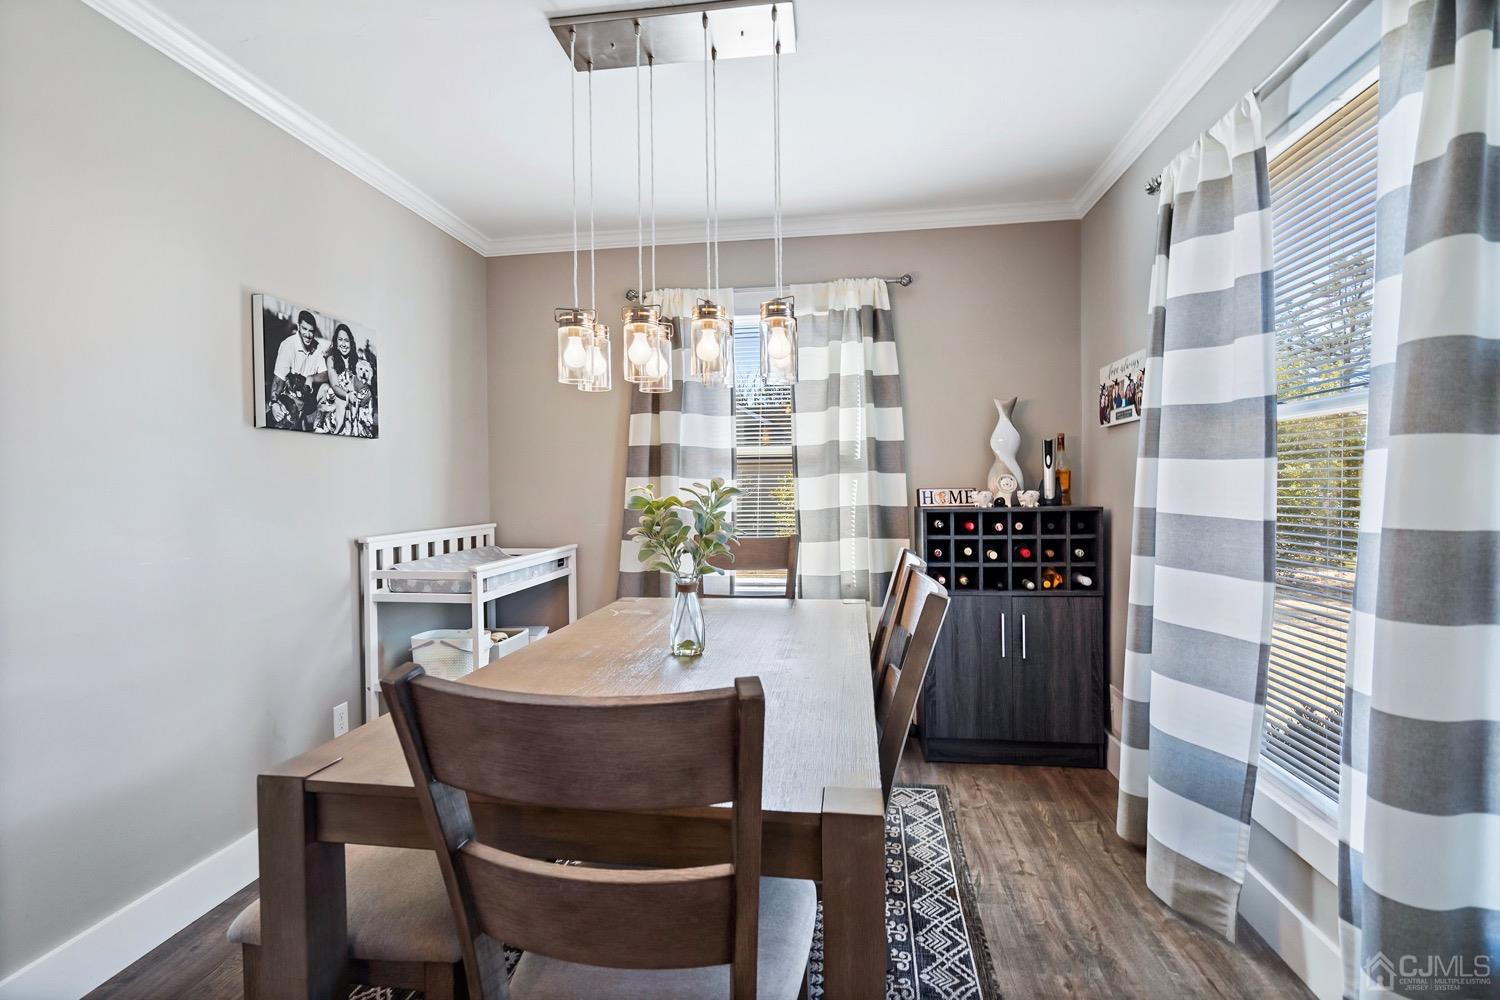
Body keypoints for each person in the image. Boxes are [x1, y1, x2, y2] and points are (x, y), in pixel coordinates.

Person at [270, 310, 328, 426]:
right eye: (304, 329)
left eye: (311, 331)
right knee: (284, 419)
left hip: (308, 398)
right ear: (298, 327)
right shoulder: (288, 345)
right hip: (289, 396)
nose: (308, 334)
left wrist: (311, 378)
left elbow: (325, 374)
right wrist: (274, 403)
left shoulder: (317, 346)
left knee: (326, 388)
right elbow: (278, 380)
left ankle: (319, 425)